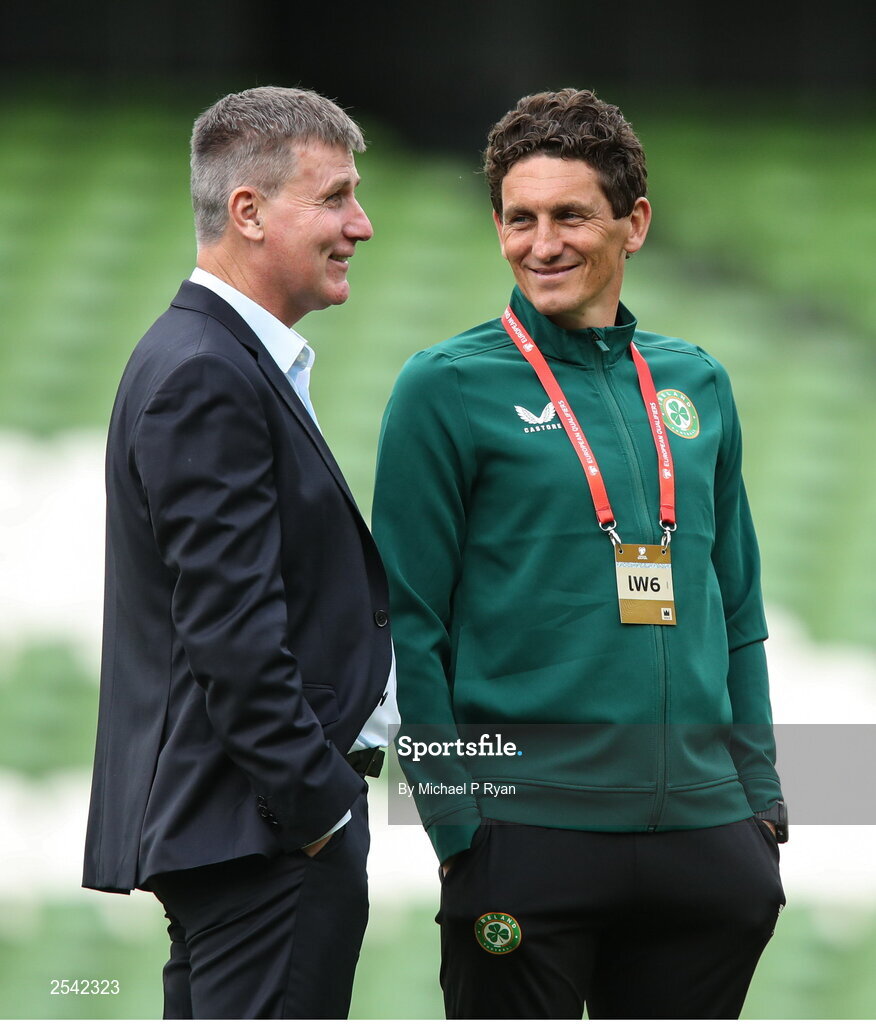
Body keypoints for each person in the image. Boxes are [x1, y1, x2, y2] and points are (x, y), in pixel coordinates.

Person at [373, 88, 786, 1020]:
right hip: (525, 836)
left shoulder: (697, 383)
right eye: (519, 219)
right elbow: (409, 625)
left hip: (705, 841)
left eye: (570, 215)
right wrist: (457, 828)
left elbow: (741, 609)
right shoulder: (444, 388)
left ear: (633, 224)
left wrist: (758, 803)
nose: (541, 243)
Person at [82, 86, 398, 1020]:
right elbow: (232, 634)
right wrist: (319, 812)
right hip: (264, 841)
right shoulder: (206, 372)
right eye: (335, 197)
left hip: (247, 837)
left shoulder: (205, 358)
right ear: (247, 212)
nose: (362, 224)